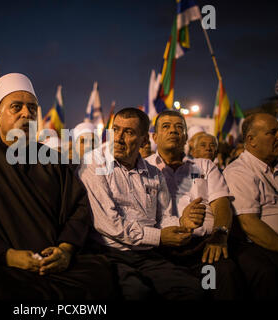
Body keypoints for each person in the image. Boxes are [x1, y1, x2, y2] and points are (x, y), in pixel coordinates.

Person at [0, 73, 116, 300]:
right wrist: (7, 255)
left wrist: (65, 249)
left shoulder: (53, 159)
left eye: (32, 108)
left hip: (55, 262)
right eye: (16, 107)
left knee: (102, 277)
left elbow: (78, 209)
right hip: (1, 265)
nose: (27, 113)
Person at [78, 107, 204, 300]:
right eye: (116, 130)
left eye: (128, 132)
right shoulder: (95, 166)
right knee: (136, 292)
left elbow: (163, 218)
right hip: (110, 254)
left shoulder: (154, 174)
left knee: (191, 289)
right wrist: (160, 237)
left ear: (144, 140)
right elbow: (111, 225)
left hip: (148, 255)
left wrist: (181, 226)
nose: (118, 138)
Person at [146, 110, 244, 300]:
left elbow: (221, 203)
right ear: (155, 137)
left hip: (206, 248)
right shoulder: (142, 168)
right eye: (166, 126)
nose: (173, 131)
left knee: (224, 276)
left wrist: (220, 234)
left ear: (186, 138)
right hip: (161, 252)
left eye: (179, 127)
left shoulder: (205, 166)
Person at [223, 113, 278, 299]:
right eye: (272, 132)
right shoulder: (238, 171)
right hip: (263, 247)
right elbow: (250, 225)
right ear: (251, 140)